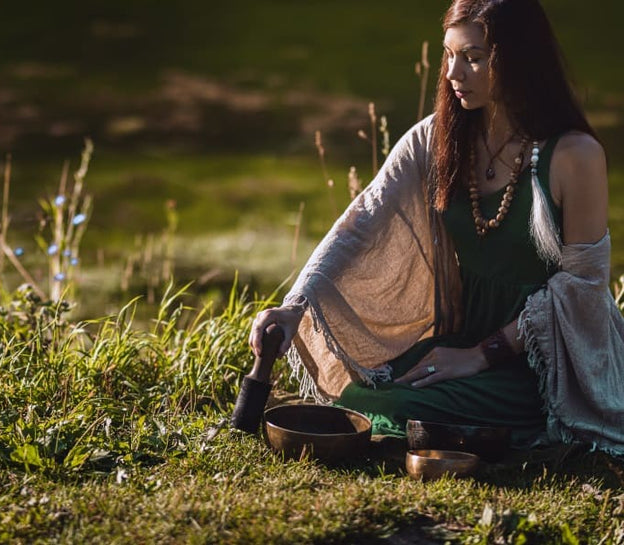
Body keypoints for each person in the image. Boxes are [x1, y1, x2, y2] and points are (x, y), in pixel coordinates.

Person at [235, 0, 624, 454]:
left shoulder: (574, 156)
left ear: (520, 58)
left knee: (398, 409)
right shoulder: (436, 139)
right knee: (361, 394)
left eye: (474, 58)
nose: (454, 74)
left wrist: (480, 357)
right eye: (449, 54)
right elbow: (362, 223)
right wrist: (294, 307)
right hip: (463, 338)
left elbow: (584, 287)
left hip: (547, 364)